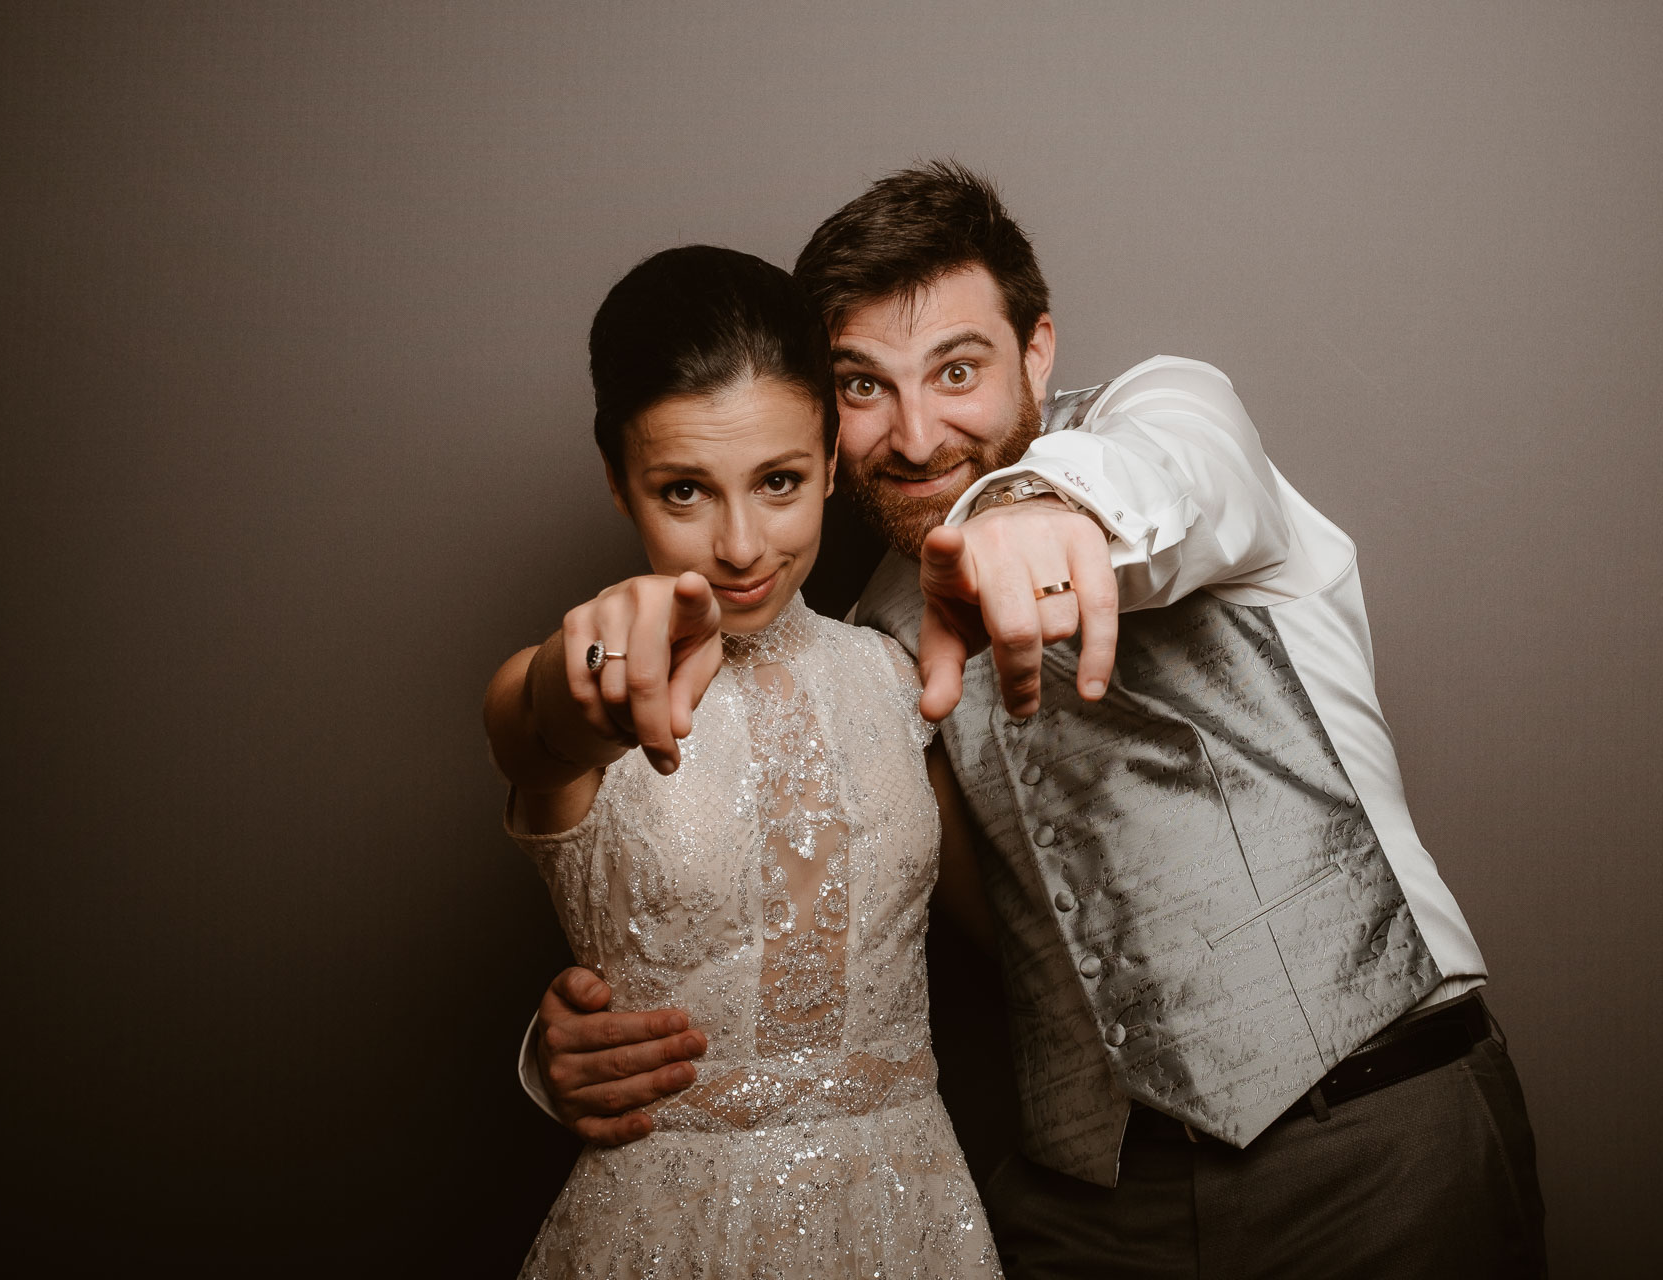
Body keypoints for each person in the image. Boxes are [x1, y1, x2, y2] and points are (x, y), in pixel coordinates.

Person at [524, 164, 1548, 1278]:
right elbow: (812, 913)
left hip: (1372, 1147)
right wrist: (569, 1044)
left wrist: (1035, 504)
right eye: (864, 387)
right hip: (1086, 1211)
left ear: (1038, 349)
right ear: (823, 423)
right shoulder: (869, 646)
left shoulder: (1171, 426)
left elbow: (1174, 469)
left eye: (956, 369)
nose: (916, 435)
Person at [484, 244, 1001, 1278]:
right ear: (616, 478)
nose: (737, 543)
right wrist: (583, 660)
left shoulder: (897, 676)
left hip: (905, 1222)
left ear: (826, 453)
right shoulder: (583, 676)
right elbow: (533, 724)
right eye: (682, 490)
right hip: (670, 1233)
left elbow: (1015, 948)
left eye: (777, 481)